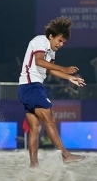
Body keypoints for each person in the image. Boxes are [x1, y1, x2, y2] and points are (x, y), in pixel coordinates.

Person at [18, 16, 85, 168]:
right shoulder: (40, 40)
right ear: (51, 36)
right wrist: (65, 68)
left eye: (64, 42)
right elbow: (39, 61)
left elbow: (49, 70)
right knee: (49, 118)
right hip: (31, 85)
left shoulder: (51, 51)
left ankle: (34, 166)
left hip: (26, 87)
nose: (61, 44)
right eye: (59, 40)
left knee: (35, 128)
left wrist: (69, 77)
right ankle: (65, 155)